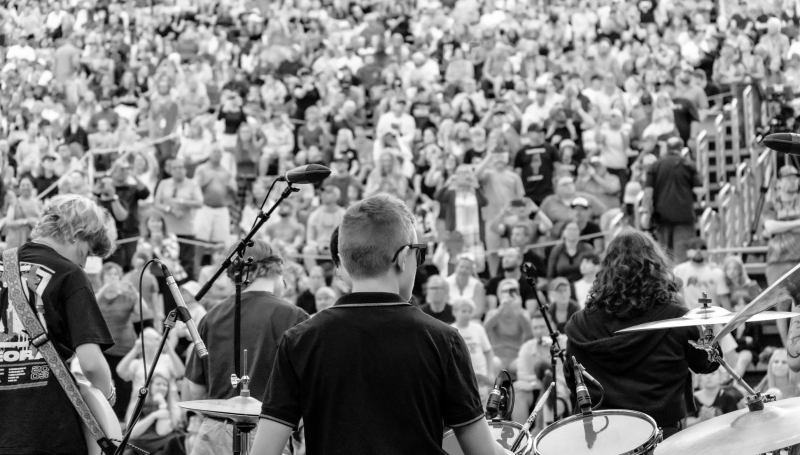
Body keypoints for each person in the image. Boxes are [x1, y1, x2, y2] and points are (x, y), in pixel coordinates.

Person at [252, 194, 509, 455]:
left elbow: (264, 451)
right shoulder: (443, 340)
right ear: (402, 257)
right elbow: (483, 451)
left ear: (345, 261)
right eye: (418, 254)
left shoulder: (300, 340)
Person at [565, 230, 721, 439]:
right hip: (661, 436)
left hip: (601, 436)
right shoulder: (675, 318)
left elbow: (573, 379)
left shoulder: (580, 323)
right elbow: (708, 363)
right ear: (655, 268)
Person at [0, 194, 116, 454]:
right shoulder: (70, 275)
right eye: (85, 253)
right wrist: (107, 398)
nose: (84, 263)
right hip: (49, 429)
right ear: (75, 233)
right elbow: (91, 364)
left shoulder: (2, 263)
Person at [185, 239, 308, 455]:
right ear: (272, 268)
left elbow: (196, 390)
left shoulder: (210, 318)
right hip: (266, 436)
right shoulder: (294, 317)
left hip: (212, 432)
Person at [96, 262, 154, 421]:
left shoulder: (126, 297)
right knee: (102, 380)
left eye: (115, 274)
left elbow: (144, 310)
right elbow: (90, 307)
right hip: (103, 346)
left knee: (123, 383)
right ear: (102, 277)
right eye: (109, 274)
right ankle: (102, 414)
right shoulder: (98, 295)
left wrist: (135, 292)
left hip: (124, 345)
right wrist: (104, 289)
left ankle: (121, 417)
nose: (112, 277)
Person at [644, 136, 702, 263]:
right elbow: (699, 191)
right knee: (684, 256)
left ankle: (667, 281)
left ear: (667, 148)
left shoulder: (655, 165)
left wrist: (648, 213)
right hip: (684, 216)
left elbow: (648, 193)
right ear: (681, 148)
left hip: (661, 217)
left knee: (664, 256)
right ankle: (682, 281)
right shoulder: (688, 165)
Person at [763, 165, 800, 345]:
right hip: (777, 259)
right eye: (787, 177)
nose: (792, 181)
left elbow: (775, 227)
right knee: (782, 304)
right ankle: (787, 345)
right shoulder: (772, 203)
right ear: (778, 182)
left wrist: (783, 224)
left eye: (795, 177)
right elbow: (770, 227)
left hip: (798, 258)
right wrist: (797, 223)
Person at [451, 297, 494, 401]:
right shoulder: (450, 331)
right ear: (455, 311)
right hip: (461, 377)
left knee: (483, 401)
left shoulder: (478, 329)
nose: (467, 314)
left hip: (480, 376)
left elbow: (488, 351)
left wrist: (490, 372)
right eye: (464, 311)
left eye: (470, 311)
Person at [673, 238, 731, 310]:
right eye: (694, 248)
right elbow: (674, 295)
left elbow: (724, 298)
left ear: (707, 252)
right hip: (688, 315)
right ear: (688, 252)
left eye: (702, 248)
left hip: (714, 315)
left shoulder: (717, 272)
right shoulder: (678, 270)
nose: (698, 251)